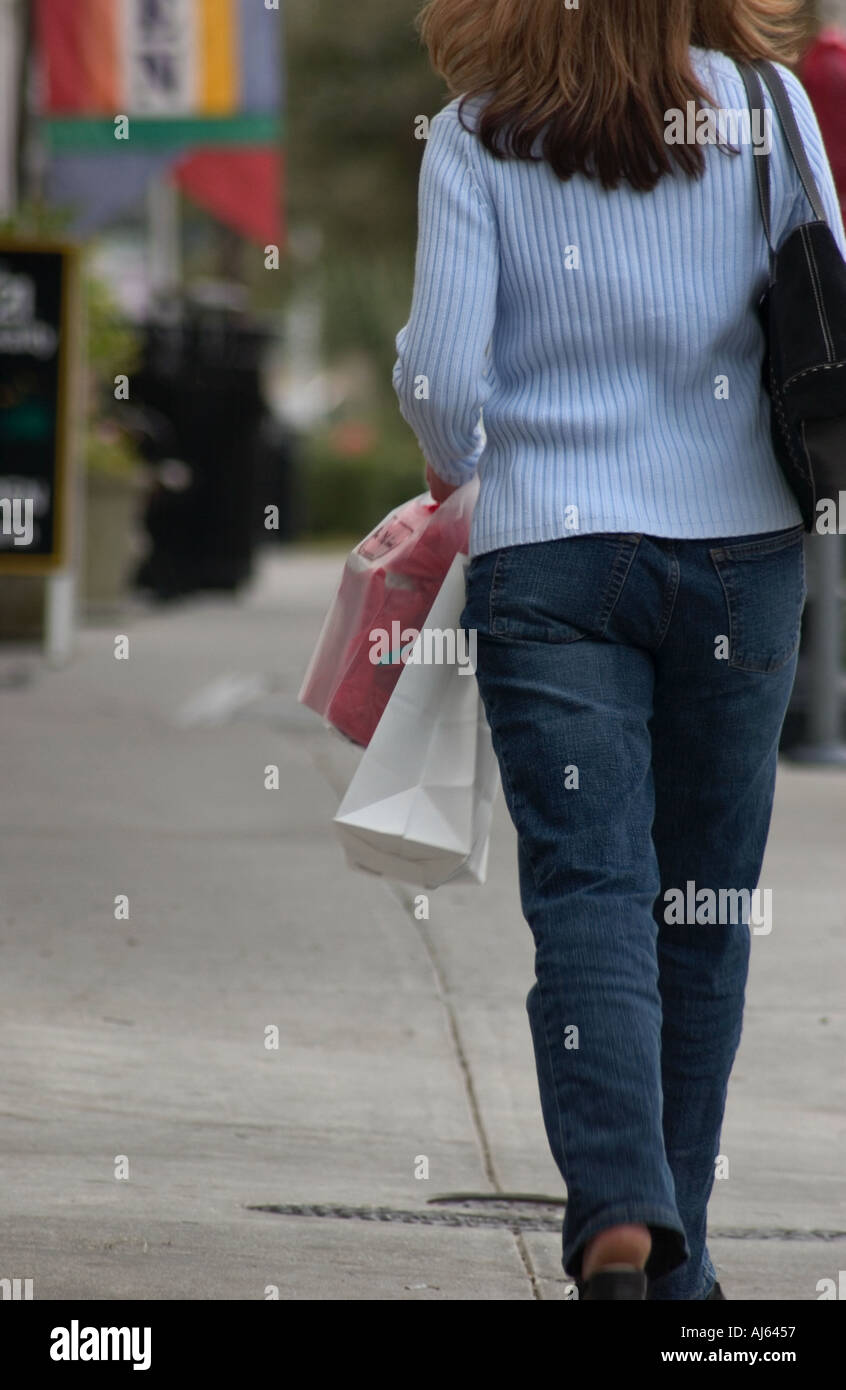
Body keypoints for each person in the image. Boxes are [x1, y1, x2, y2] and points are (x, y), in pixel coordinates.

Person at [392, 0, 846, 1300]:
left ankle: (614, 1210)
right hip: (740, 558)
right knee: (699, 912)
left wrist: (471, 467)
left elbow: (441, 383)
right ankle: (676, 1260)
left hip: (550, 559)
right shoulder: (767, 109)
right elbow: (824, 307)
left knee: (589, 892)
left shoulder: (482, 128)